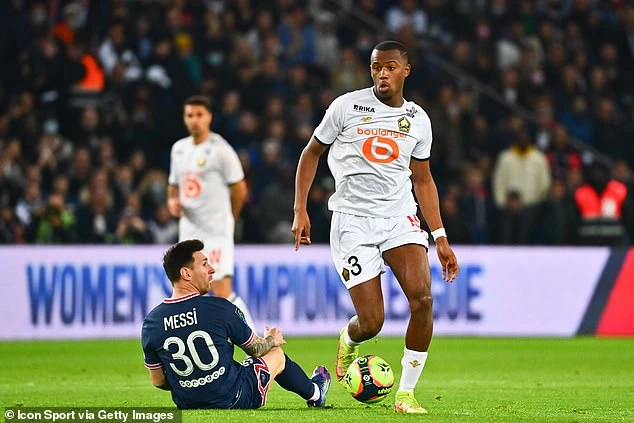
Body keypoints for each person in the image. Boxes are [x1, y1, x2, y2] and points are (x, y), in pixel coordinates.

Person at [292, 40, 459, 414]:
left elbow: (423, 179)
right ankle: (349, 339)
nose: (382, 73)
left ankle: (406, 394)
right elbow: (310, 153)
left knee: (423, 299)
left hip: (399, 217)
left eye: (390, 67)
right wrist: (300, 209)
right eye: (376, 67)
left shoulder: (418, 119)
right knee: (372, 323)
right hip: (352, 222)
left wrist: (441, 236)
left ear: (405, 71)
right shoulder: (346, 106)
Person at [141, 239, 330, 409]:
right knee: (276, 354)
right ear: (186, 273)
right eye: (204, 264)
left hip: (187, 403)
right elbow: (256, 350)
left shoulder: (151, 323)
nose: (212, 270)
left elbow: (158, 381)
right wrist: (272, 339)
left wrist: (194, 384)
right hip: (235, 397)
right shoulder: (219, 308)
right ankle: (316, 392)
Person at [167, 95, 254, 329]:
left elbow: (239, 188)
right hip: (189, 232)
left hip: (216, 232)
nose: (194, 120)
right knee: (189, 291)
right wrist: (172, 201)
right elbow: (173, 186)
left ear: (209, 117)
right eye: (190, 115)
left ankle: (255, 339)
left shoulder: (221, 150)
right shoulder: (179, 149)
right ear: (184, 118)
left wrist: (231, 218)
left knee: (221, 289)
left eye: (199, 115)